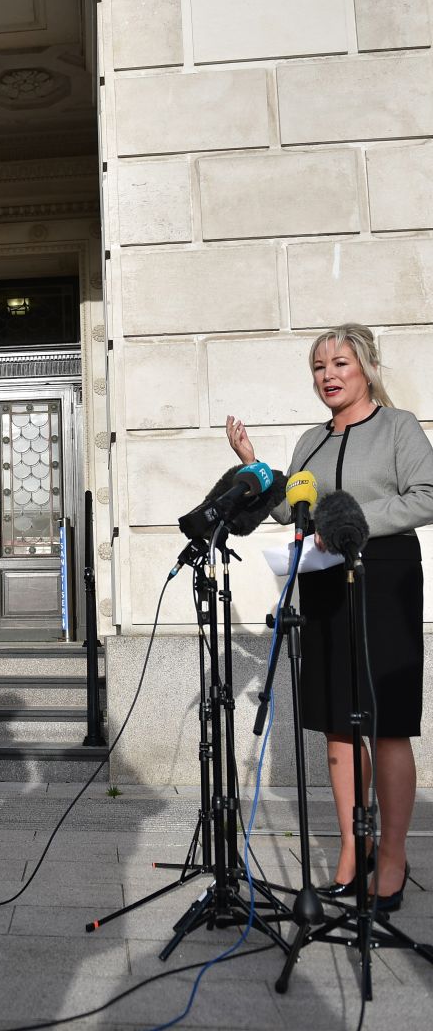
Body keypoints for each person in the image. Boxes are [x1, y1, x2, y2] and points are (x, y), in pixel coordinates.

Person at [227, 323, 433, 912]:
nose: (329, 376)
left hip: (384, 580)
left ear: (365, 366)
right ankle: (351, 850)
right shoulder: (309, 444)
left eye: (339, 363)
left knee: (387, 724)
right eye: (319, 368)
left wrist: (351, 515)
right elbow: (295, 516)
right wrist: (255, 467)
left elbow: (428, 493)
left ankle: (391, 857)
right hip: (322, 589)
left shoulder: (399, 427)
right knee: (338, 724)